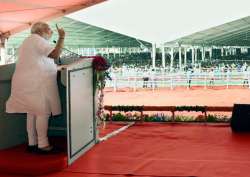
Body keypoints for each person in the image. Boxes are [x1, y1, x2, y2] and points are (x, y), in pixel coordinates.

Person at [6, 22, 65, 154]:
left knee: (31, 112)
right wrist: (61, 37)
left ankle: (32, 143)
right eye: (50, 30)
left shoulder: (28, 41)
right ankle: (43, 145)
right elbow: (55, 54)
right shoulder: (38, 40)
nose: (52, 32)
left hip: (27, 83)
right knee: (42, 112)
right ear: (43, 30)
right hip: (36, 83)